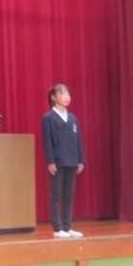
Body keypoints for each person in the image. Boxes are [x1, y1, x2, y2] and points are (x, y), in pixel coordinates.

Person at [41, 84, 85, 238]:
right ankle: (57, 228)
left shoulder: (73, 118)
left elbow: (78, 140)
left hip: (71, 160)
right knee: (56, 194)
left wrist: (81, 160)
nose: (66, 97)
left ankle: (67, 227)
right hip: (57, 161)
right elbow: (47, 142)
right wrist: (50, 161)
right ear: (53, 97)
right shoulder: (48, 118)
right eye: (62, 94)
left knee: (68, 195)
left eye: (68, 94)